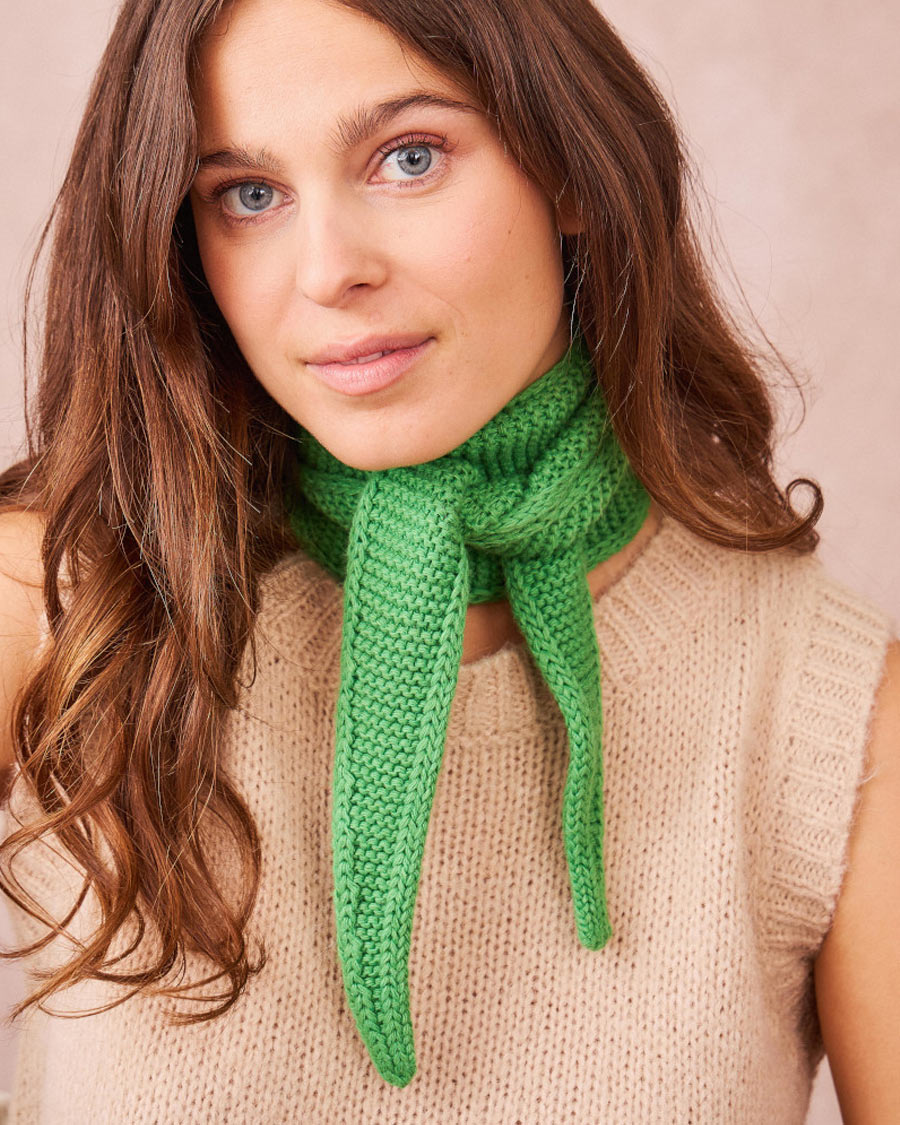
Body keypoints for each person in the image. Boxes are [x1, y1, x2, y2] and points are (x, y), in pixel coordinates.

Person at [0, 0, 897, 1119]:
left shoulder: (828, 714)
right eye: (248, 195)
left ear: (571, 170)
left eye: (409, 158)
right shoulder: (61, 604)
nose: (328, 270)